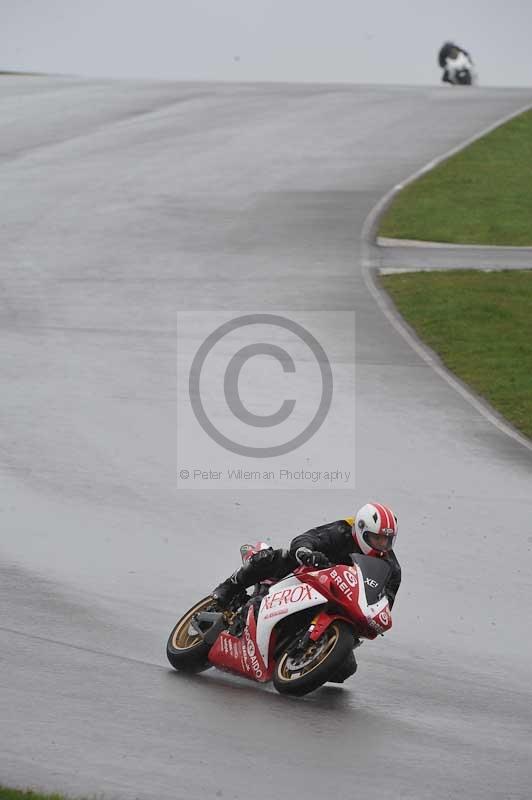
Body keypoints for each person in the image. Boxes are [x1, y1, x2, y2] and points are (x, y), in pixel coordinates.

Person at [212, 501, 401, 610]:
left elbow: (386, 603)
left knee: (346, 667)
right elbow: (307, 538)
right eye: (377, 538)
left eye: (386, 539)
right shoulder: (341, 531)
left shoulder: (391, 568)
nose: (382, 544)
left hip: (337, 599)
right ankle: (228, 588)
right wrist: (307, 553)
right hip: (306, 574)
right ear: (361, 530)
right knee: (277, 556)